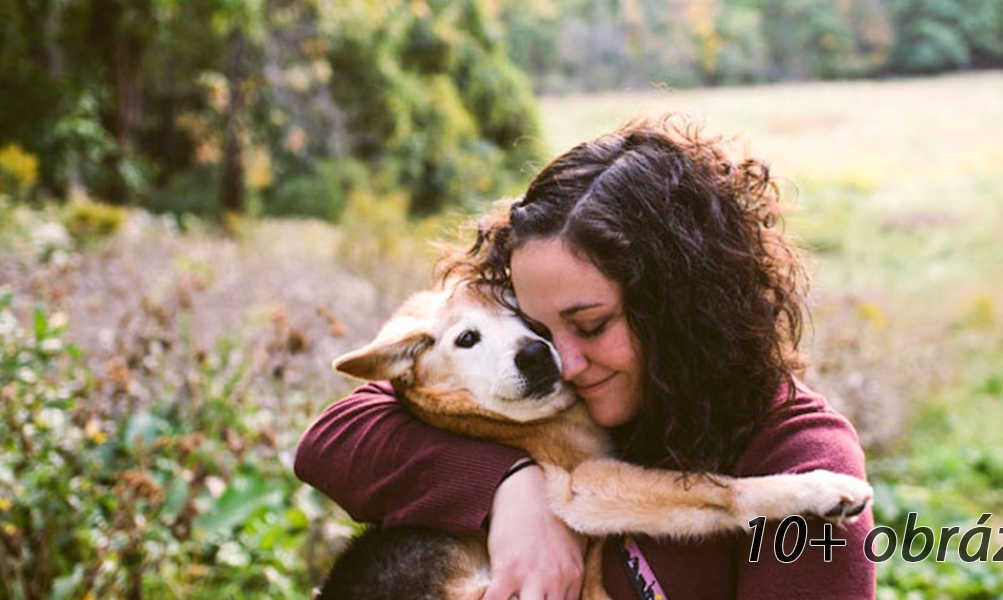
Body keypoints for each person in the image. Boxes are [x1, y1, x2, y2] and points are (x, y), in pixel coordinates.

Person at [295, 115, 876, 599]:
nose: (561, 364)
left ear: (681, 308)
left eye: (592, 326)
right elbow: (333, 436)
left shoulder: (805, 464)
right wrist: (512, 489)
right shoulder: (535, 408)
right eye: (536, 327)